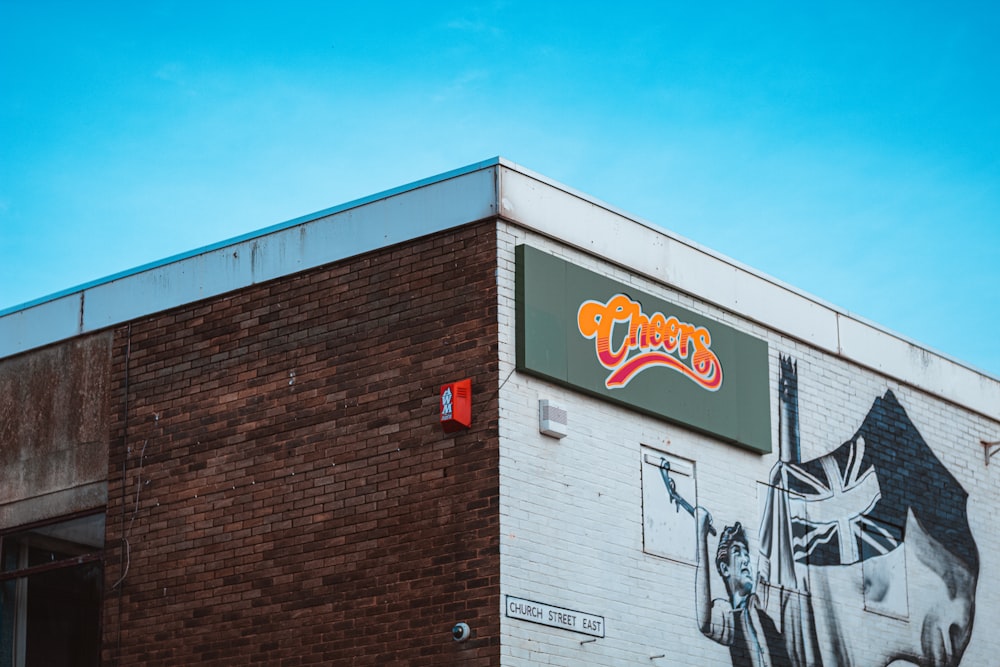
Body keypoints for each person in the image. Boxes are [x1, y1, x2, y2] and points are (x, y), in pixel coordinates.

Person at [696, 507, 791, 667]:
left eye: (746, 553)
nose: (746, 559)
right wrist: (701, 534)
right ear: (725, 569)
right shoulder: (731, 618)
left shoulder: (766, 619)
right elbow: (704, 621)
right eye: (737, 552)